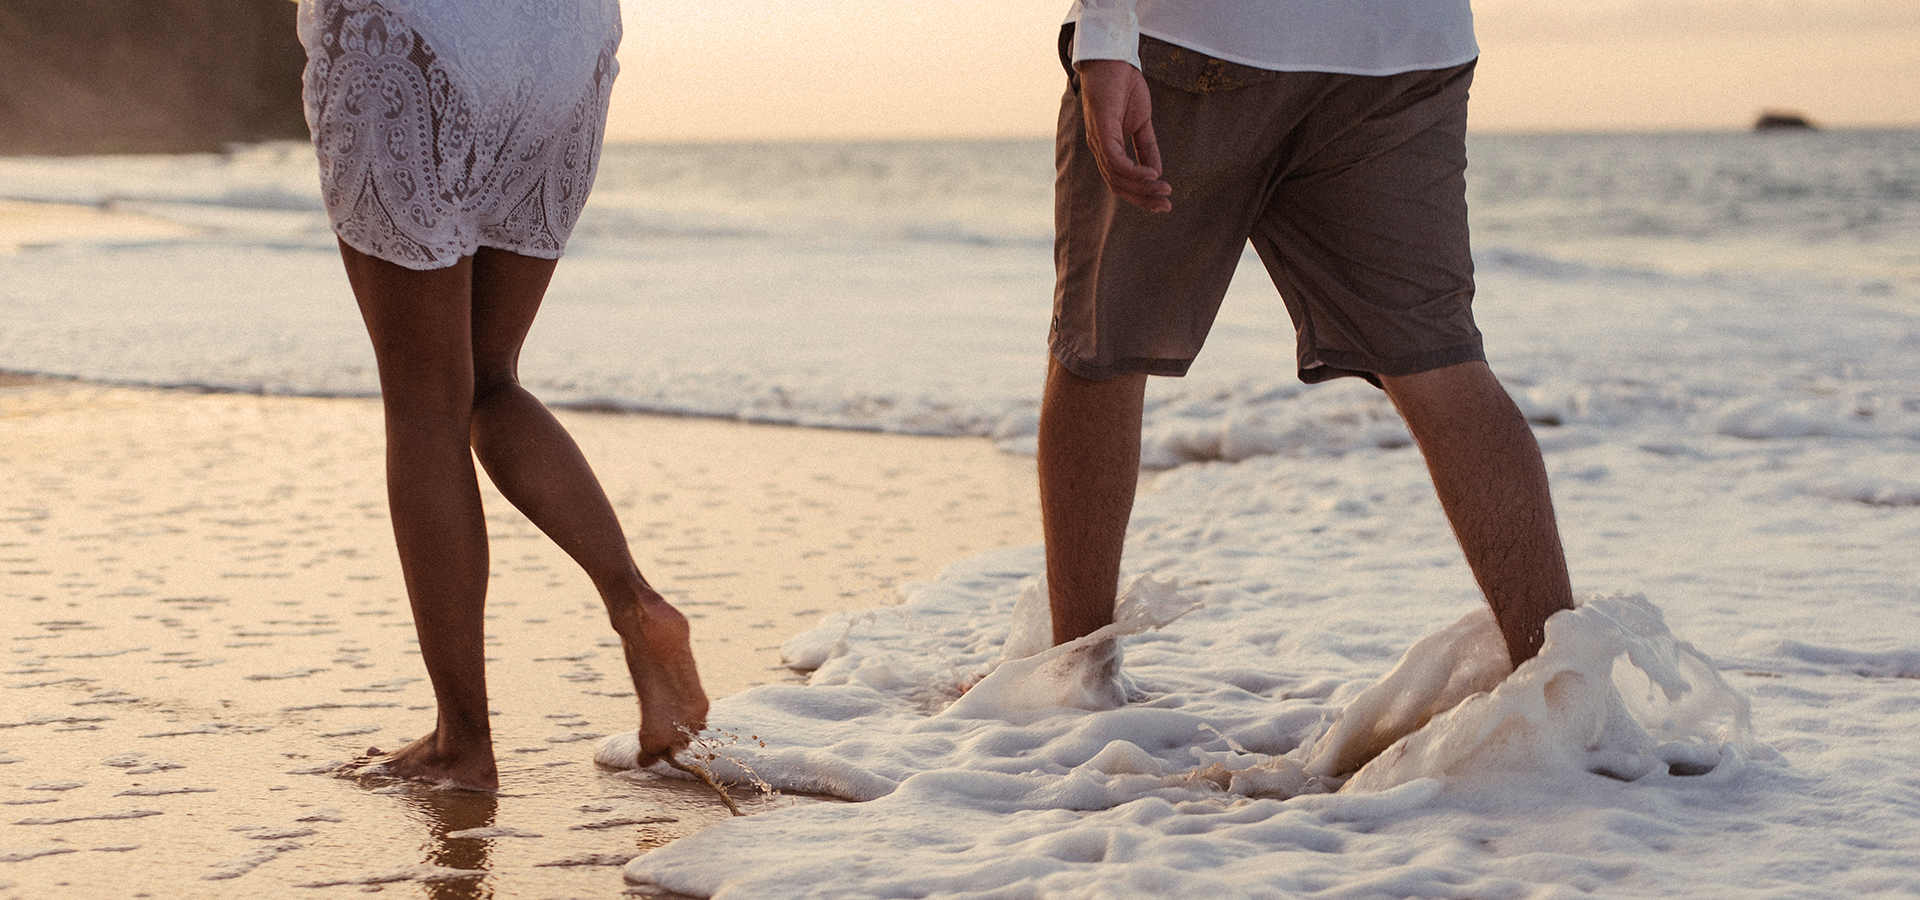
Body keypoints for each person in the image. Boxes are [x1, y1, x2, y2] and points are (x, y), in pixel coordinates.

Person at [1043, 0, 1575, 669]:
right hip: (1405, 50)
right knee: (1445, 366)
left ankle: (1071, 681)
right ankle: (1566, 694)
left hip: (1200, 35)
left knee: (1103, 349)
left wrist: (1106, 35)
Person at [297, 0, 706, 791]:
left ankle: (463, 742)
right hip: (562, 48)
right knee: (489, 378)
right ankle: (636, 606)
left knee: (425, 408)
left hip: (413, 36)